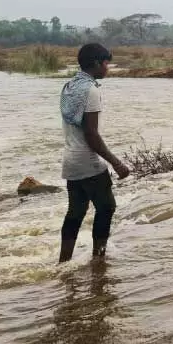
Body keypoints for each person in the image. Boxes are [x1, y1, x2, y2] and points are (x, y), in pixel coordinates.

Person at [58, 43, 130, 263]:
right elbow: (92, 135)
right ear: (97, 63)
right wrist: (117, 163)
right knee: (107, 207)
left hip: (70, 161)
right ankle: (99, 259)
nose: (108, 68)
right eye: (107, 63)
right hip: (88, 161)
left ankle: (64, 262)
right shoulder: (91, 90)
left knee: (76, 212)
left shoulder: (69, 86)